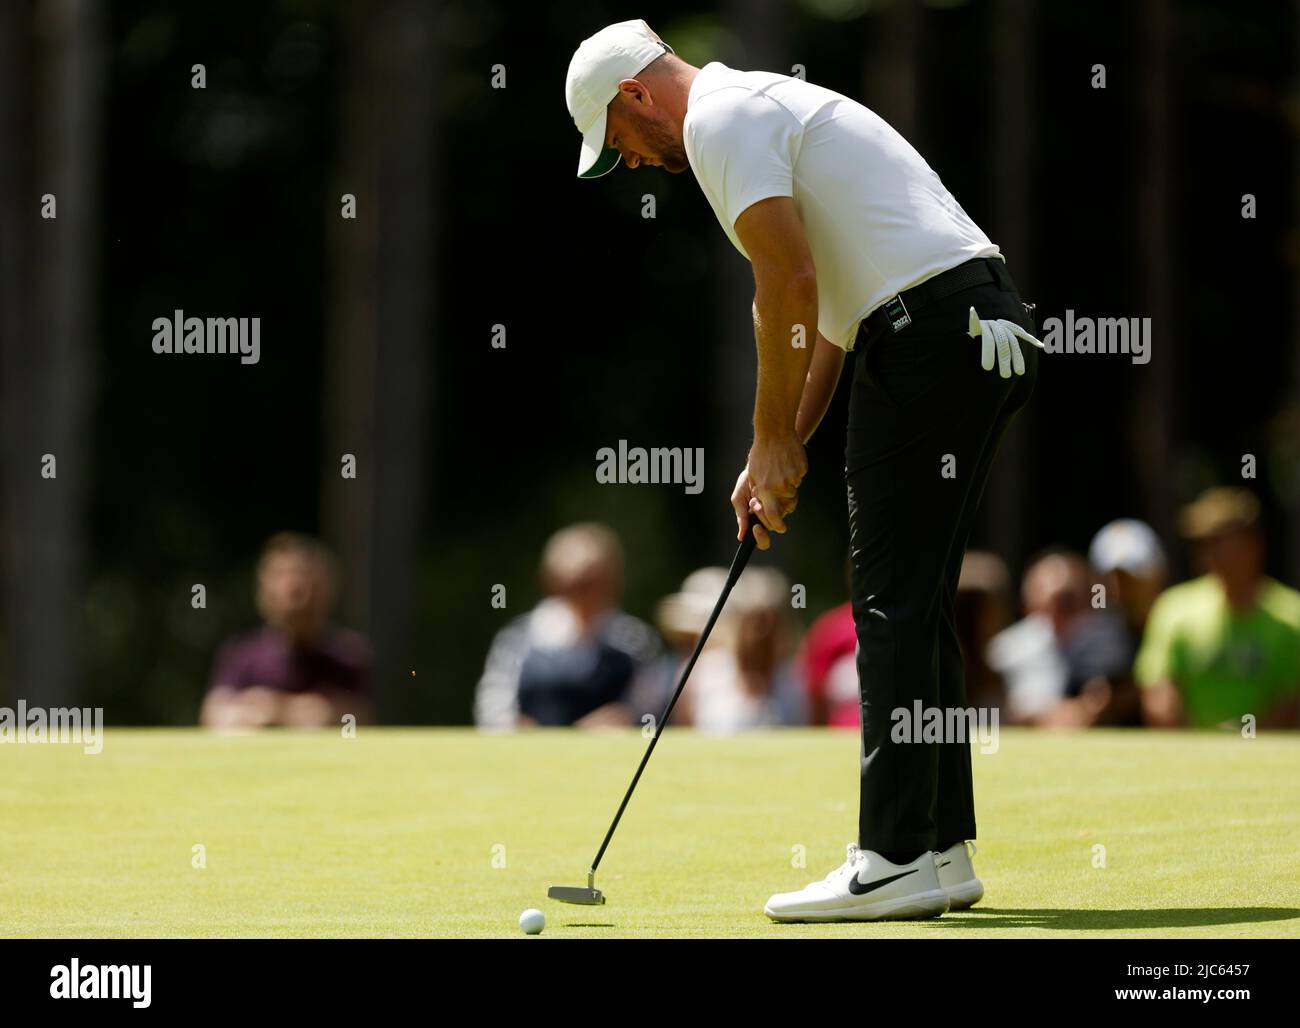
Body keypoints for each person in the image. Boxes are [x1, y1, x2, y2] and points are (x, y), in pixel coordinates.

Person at [566, 19, 1044, 920]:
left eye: (618, 142)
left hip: (931, 335)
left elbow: (781, 286)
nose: (627, 161)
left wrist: (767, 436)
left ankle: (893, 854)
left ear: (634, 96)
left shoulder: (718, 119)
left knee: (891, 603)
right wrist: (781, 445)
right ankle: (939, 848)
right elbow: (827, 309)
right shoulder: (761, 105)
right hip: (974, 330)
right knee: (919, 601)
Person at [1135, 488, 1300, 729]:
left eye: (1220, 541)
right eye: (1205, 543)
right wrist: (1198, 748)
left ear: (1253, 543)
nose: (1209, 553)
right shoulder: (1174, 609)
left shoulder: (1292, 616)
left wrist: (1242, 738)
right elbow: (1158, 694)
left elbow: (1293, 703)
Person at [473, 522, 660, 730]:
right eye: (577, 581)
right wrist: (513, 727)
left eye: (593, 579)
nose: (585, 589)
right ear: (552, 579)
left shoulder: (634, 640)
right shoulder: (520, 636)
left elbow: (650, 706)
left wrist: (627, 718)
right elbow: (494, 703)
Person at [201, 533, 371, 729]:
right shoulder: (242, 654)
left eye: (305, 587)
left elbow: (356, 716)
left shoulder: (347, 655)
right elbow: (214, 715)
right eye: (287, 587)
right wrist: (299, 711)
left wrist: (273, 709)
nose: (298, 600)